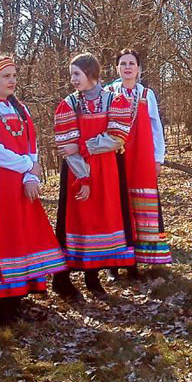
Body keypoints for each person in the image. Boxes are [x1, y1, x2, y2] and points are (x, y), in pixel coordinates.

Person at [0, 55, 67, 324]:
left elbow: (32, 143)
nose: (12, 81)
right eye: (6, 76)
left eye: (13, 75)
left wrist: (30, 175)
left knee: (19, 234)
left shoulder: (21, 108)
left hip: (21, 183)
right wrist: (25, 166)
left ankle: (17, 293)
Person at [53, 53, 135, 299]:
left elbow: (117, 138)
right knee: (80, 219)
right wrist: (83, 177)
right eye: (72, 74)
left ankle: (94, 276)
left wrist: (82, 146)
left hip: (108, 170)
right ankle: (68, 277)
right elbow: (65, 145)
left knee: (104, 217)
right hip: (78, 172)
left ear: (90, 74)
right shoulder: (69, 104)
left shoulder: (115, 100)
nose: (73, 79)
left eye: (76, 74)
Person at [106, 48, 172, 279]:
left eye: (131, 63)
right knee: (117, 204)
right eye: (123, 63)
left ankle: (138, 258)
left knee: (140, 204)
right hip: (114, 156)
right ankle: (114, 262)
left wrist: (158, 158)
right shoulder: (108, 92)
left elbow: (156, 128)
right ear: (116, 68)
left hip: (141, 156)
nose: (127, 67)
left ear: (139, 68)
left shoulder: (147, 94)